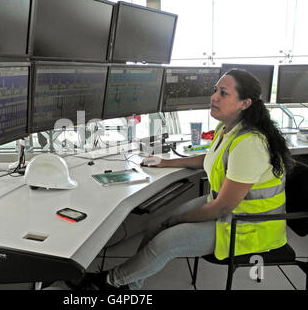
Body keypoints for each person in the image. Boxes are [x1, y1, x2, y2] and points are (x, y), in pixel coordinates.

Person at [83, 69, 293, 290]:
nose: (213, 97)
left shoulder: (250, 144)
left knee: (166, 242)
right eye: (215, 91)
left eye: (223, 93)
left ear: (244, 103)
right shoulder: (229, 128)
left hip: (249, 225)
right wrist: (166, 163)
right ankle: (129, 284)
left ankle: (108, 283)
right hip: (229, 209)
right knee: (156, 223)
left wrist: (181, 219)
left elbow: (221, 208)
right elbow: (212, 157)